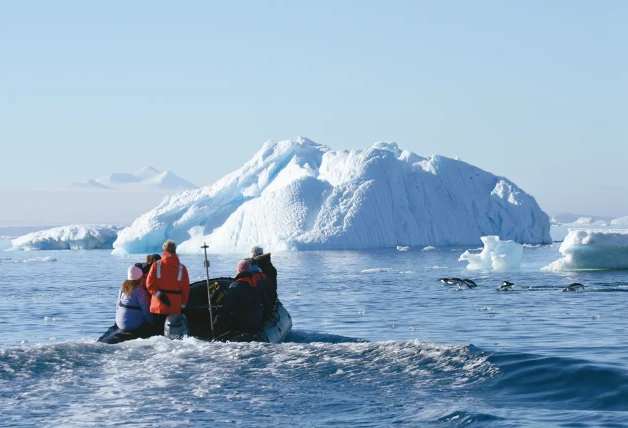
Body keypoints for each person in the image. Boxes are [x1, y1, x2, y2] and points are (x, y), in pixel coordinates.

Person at [146, 239, 190, 332]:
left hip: (158, 306)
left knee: (157, 334)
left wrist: (160, 296)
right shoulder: (182, 268)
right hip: (175, 306)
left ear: (164, 250)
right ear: (175, 250)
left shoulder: (155, 265)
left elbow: (149, 284)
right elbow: (185, 289)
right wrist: (182, 305)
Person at [221, 259, 271, 334]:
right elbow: (267, 303)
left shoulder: (234, 286)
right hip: (256, 321)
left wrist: (221, 318)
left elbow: (226, 307)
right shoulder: (257, 284)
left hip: (241, 323)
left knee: (220, 320)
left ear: (239, 271)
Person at [115, 265, 154, 333]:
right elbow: (146, 310)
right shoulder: (139, 291)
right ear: (140, 277)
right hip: (132, 324)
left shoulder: (122, 288)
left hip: (119, 322)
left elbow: (117, 305)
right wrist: (153, 322)